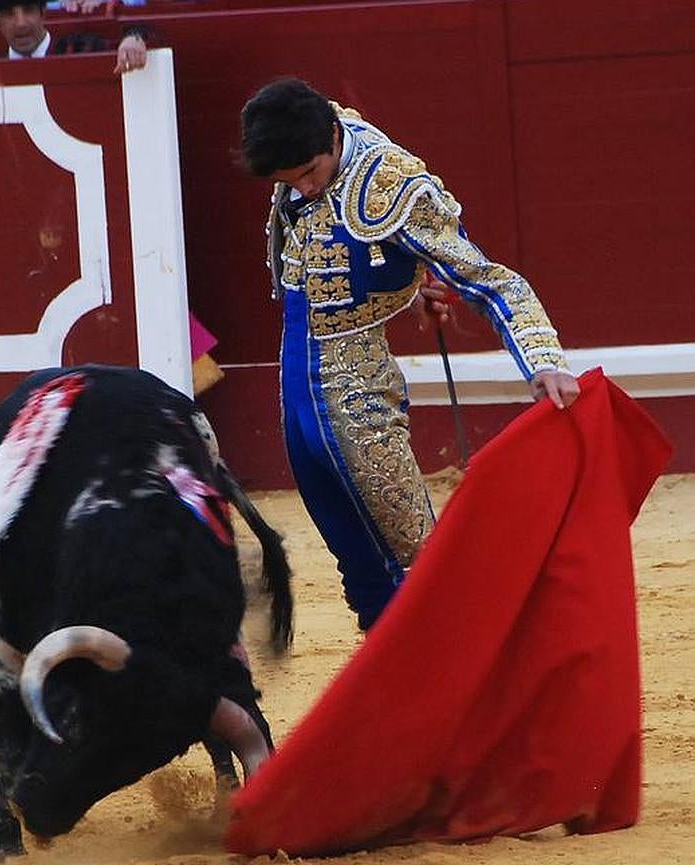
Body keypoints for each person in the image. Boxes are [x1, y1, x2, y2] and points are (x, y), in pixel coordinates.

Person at [240, 78, 580, 631]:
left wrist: (543, 359)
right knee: (359, 567)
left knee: (420, 560)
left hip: (357, 398)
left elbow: (489, 281)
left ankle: (468, 684)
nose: (301, 190)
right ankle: (399, 695)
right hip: (296, 391)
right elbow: (349, 253)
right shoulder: (301, 136)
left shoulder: (395, 186)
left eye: (308, 175)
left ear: (331, 138)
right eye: (288, 182)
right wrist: (407, 281)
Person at [0, 0, 147, 73]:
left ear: (42, 12)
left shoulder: (83, 48)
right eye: (9, 14)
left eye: (28, 10)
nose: (21, 23)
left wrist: (134, 36)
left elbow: (155, 36)